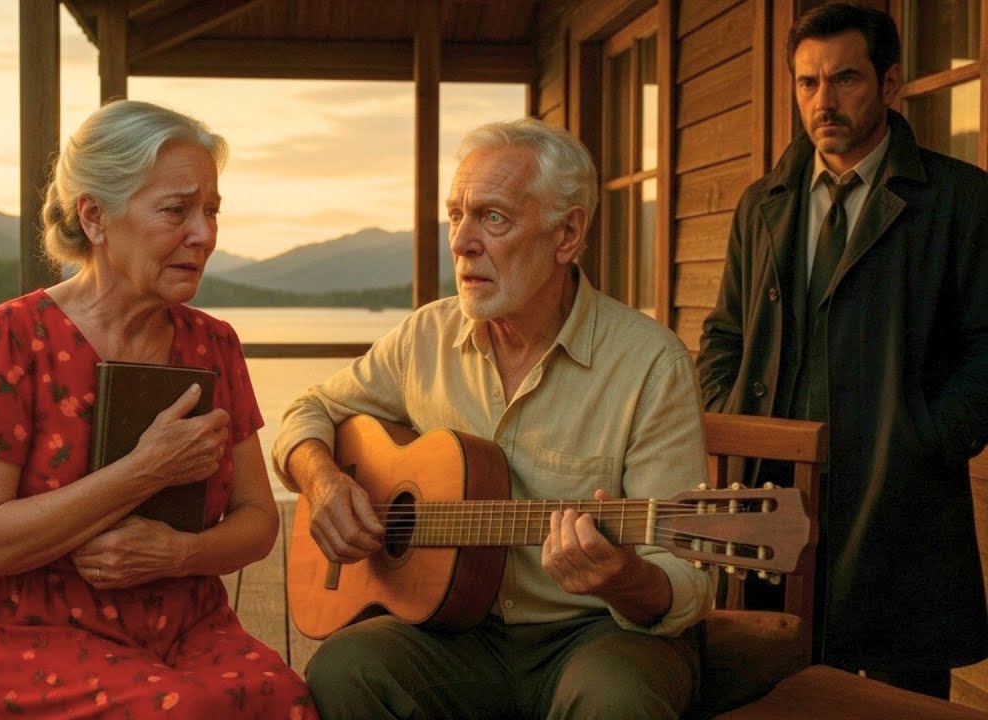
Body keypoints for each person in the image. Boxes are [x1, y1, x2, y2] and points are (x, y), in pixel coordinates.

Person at [272, 118, 716, 720]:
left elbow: (685, 579)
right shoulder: (424, 337)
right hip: (454, 633)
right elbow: (309, 410)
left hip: (595, 635)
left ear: (567, 234)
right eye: (456, 216)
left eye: (493, 217)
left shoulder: (650, 363)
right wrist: (323, 480)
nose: (460, 242)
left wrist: (622, 577)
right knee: (345, 669)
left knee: (618, 699)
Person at [0, 100, 317, 718]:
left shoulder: (214, 345)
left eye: (211, 211)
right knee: (177, 712)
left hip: (184, 625)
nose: (204, 234)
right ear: (95, 216)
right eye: (176, 210)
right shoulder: (7, 339)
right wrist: (146, 470)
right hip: (28, 634)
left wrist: (178, 553)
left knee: (285, 697)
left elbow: (258, 522)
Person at [696, 2, 988, 698]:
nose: (823, 101)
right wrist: (733, 423)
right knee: (766, 689)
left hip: (900, 502)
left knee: (900, 701)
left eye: (845, 79)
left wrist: (926, 437)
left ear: (889, 85)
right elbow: (724, 334)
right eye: (807, 82)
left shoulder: (961, 200)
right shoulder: (760, 204)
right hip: (770, 499)